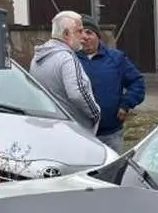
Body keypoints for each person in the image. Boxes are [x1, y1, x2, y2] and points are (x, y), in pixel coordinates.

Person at [77, 14, 146, 153]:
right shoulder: (70, 59)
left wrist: (126, 104)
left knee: (113, 171)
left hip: (110, 133)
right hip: (81, 133)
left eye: (89, 32)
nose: (84, 37)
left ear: (98, 36)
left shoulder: (115, 58)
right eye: (80, 33)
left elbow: (137, 82)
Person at [29, 10, 101, 133]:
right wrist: (96, 113)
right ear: (66, 34)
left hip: (50, 126)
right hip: (73, 130)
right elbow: (77, 93)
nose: (83, 36)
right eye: (79, 31)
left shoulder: (38, 57)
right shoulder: (67, 58)